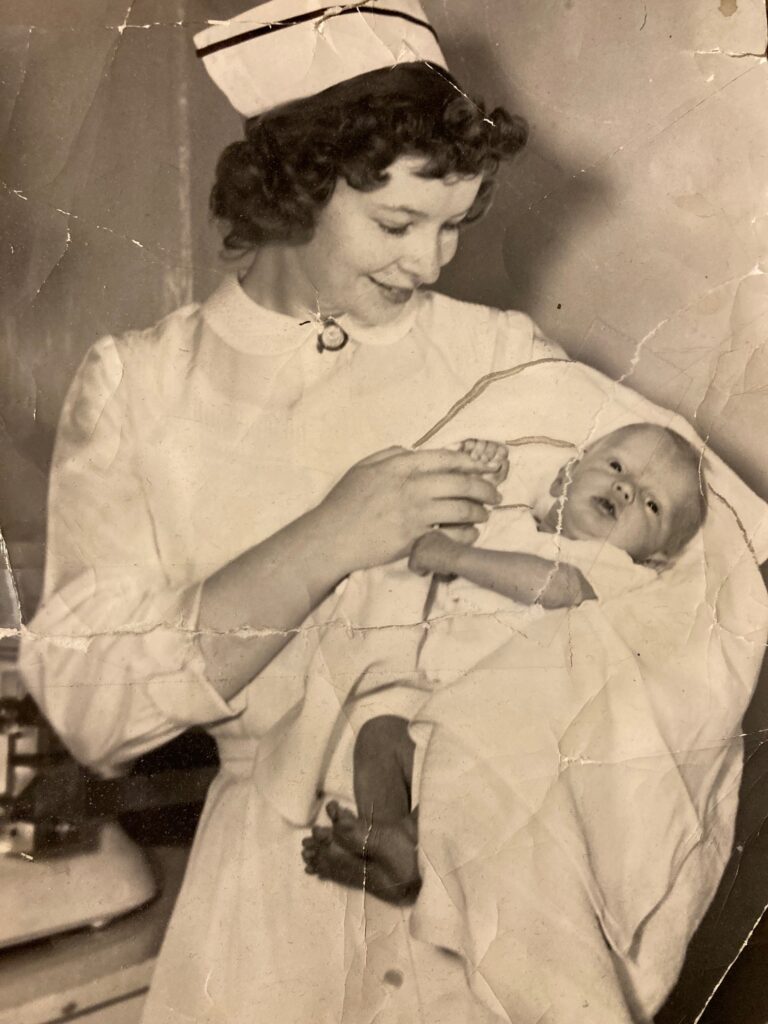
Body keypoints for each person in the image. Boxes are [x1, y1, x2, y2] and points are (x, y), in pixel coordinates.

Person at [17, 3, 768, 1022]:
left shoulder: (495, 356)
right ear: (295, 188)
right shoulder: (142, 388)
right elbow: (88, 703)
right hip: (268, 916)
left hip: (479, 899)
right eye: (397, 224)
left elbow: (718, 528)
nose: (429, 266)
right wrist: (328, 538)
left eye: (455, 225)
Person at [302, 423, 709, 899]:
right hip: (430, 701)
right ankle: (384, 846)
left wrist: (454, 557)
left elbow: (562, 587)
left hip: (505, 722)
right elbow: (442, 524)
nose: (625, 488)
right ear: (565, 477)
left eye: (651, 504)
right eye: (617, 467)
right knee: (378, 737)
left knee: (465, 759)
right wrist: (478, 463)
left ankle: (408, 843)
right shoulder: (510, 522)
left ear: (656, 559)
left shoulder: (620, 574)